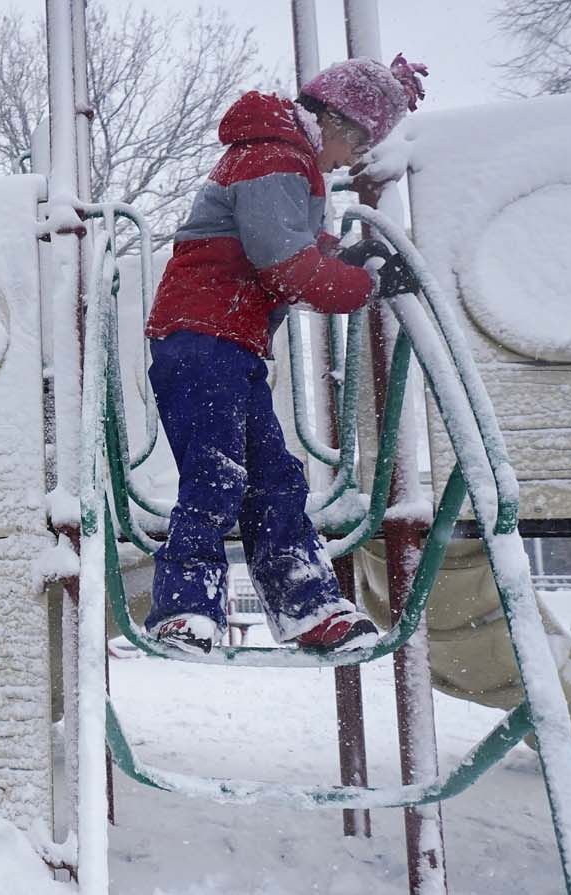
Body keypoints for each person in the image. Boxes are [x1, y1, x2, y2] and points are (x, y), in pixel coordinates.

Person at [141, 55, 428, 654]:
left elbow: (298, 254)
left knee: (276, 480)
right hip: (198, 338)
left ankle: (308, 606)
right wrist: (366, 285)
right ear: (338, 123)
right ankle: (185, 608)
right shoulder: (273, 155)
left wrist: (347, 263)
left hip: (232, 345)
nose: (352, 159)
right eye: (358, 143)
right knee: (215, 473)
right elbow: (286, 267)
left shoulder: (289, 163)